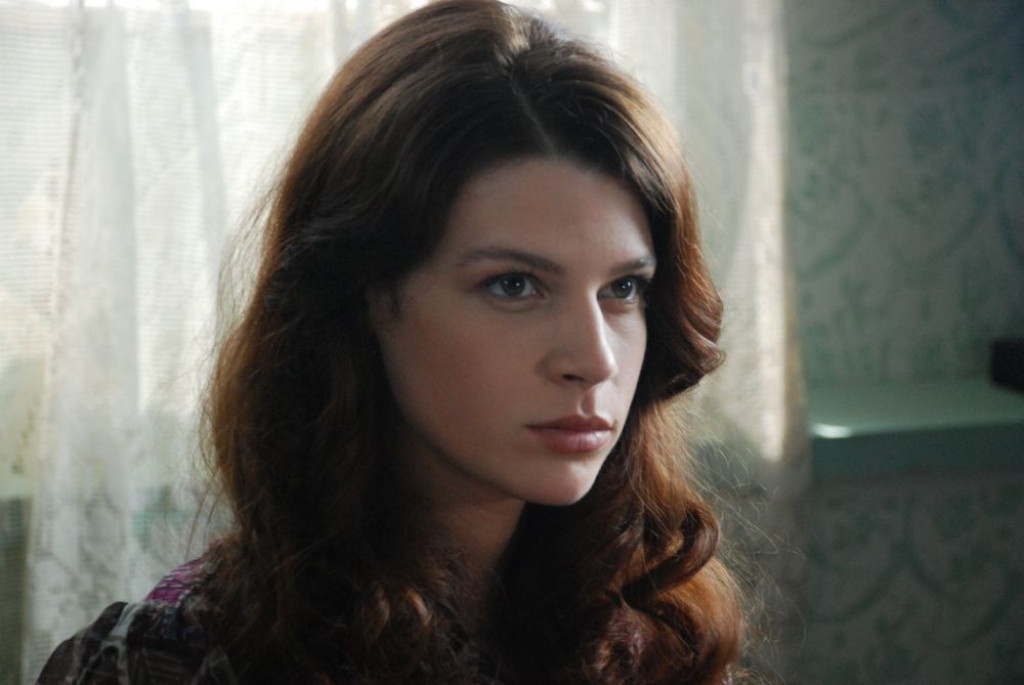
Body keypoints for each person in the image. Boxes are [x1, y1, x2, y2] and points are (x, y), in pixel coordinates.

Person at [37, 0, 743, 682]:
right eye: (514, 285)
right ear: (362, 296)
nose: (594, 360)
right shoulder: (169, 661)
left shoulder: (653, 636)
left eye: (623, 288)